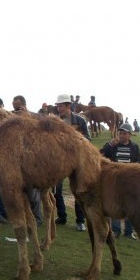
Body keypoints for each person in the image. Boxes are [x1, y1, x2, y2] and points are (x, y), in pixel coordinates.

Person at [101, 122, 140, 238]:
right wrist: (110, 145)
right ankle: (116, 230)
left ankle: (129, 232)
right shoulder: (112, 145)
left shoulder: (134, 147)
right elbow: (100, 155)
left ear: (129, 135)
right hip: (115, 180)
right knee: (115, 205)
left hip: (129, 182)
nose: (121, 136)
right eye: (120, 133)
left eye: (124, 133)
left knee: (130, 206)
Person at [53, 94, 90, 230]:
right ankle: (62, 216)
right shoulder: (55, 121)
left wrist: (74, 138)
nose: (58, 108)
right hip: (59, 160)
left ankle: (80, 221)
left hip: (76, 160)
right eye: (57, 105)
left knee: (78, 191)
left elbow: (88, 140)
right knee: (57, 190)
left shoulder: (80, 121)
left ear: (68, 106)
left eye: (61, 105)